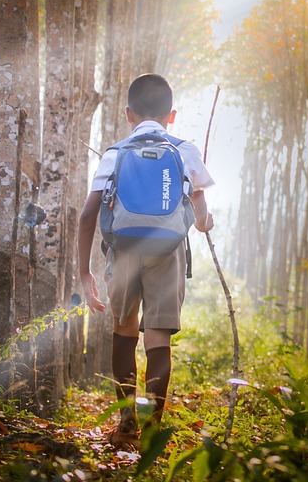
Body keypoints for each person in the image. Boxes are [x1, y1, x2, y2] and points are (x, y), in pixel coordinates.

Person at [76, 73, 214, 446]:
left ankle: (125, 421)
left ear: (128, 114)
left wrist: (84, 272)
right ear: (172, 115)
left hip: (122, 251)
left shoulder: (115, 153)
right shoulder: (183, 149)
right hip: (166, 252)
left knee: (124, 329)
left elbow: (88, 215)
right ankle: (153, 429)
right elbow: (199, 210)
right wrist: (204, 222)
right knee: (157, 336)